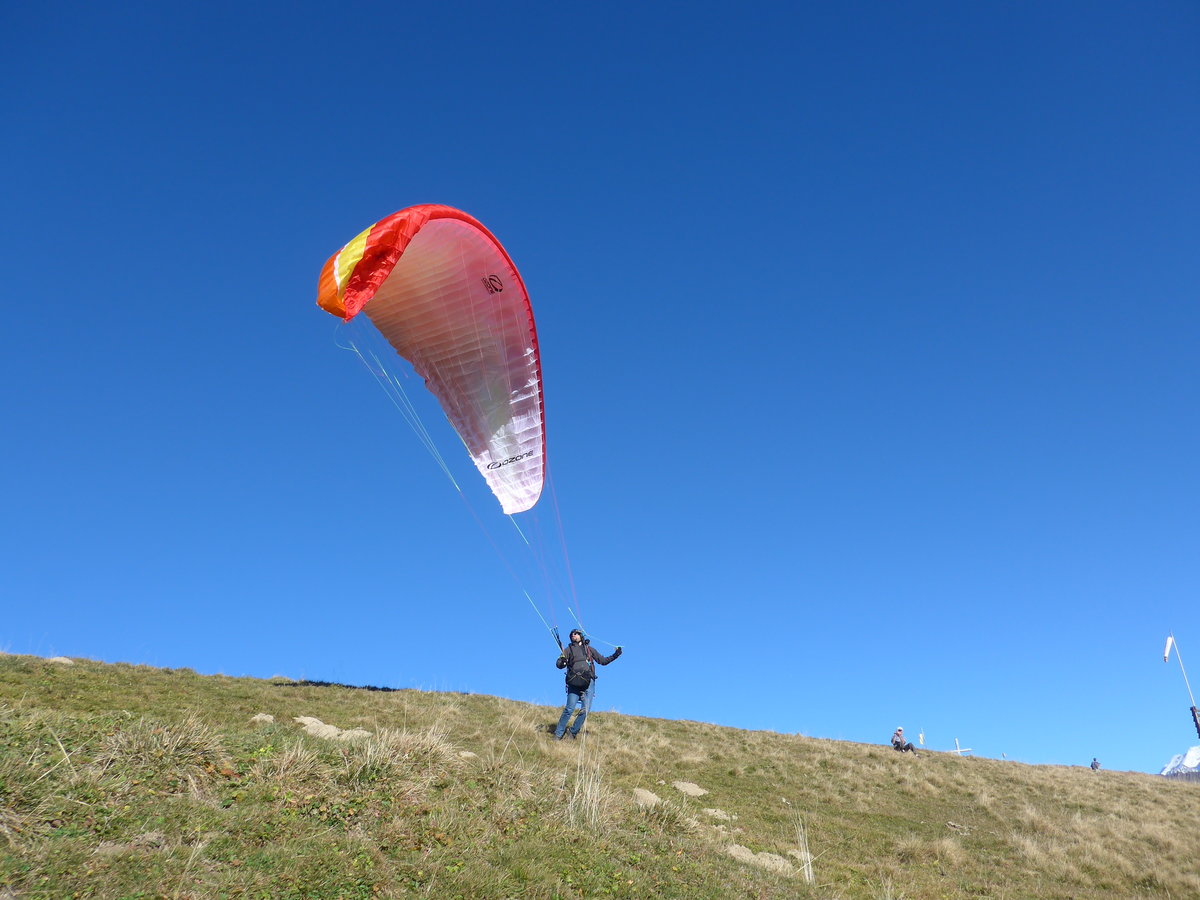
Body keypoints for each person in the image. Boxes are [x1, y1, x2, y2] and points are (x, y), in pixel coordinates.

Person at [553, 629, 622, 739]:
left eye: (575, 633)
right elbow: (559, 664)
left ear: (581, 635)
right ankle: (558, 734)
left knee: (585, 710)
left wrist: (616, 655)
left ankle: (572, 733)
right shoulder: (568, 650)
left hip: (588, 681)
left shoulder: (589, 650)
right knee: (569, 709)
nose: (573, 636)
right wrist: (561, 662)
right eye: (571, 635)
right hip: (573, 682)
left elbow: (603, 661)